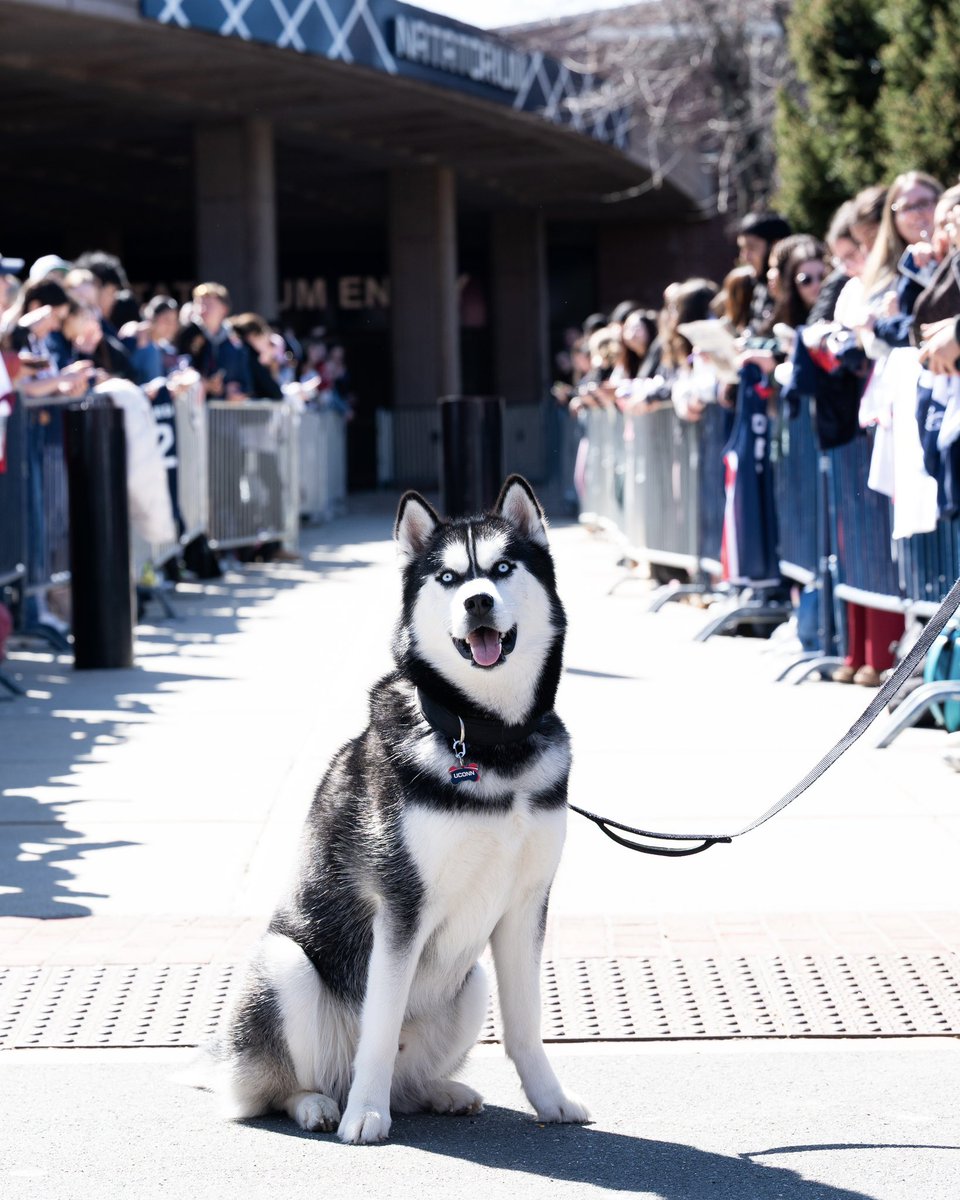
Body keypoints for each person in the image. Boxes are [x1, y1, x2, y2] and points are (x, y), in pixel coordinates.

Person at [176, 282, 251, 400]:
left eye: (209, 304)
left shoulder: (234, 343)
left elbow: (244, 382)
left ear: (224, 309)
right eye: (199, 303)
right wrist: (204, 383)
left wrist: (231, 389)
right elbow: (180, 367)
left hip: (223, 413)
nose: (202, 309)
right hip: (194, 409)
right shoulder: (188, 334)